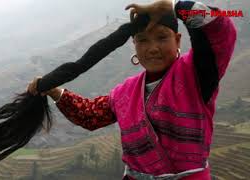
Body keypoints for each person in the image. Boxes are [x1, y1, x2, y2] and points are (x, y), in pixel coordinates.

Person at [27, 0, 237, 179]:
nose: (152, 48)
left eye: (162, 37)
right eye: (143, 40)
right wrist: (55, 91)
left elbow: (221, 27)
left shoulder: (196, 74)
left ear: (178, 39)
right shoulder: (125, 92)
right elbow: (90, 115)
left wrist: (175, 5)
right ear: (134, 45)